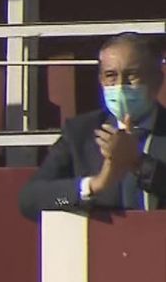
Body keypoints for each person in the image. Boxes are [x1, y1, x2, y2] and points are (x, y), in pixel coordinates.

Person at [18, 32, 166, 221]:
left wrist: (139, 163)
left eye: (132, 75)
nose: (120, 86)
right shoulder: (81, 133)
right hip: (98, 247)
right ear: (101, 80)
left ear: (157, 80)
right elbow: (30, 201)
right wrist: (93, 186)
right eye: (111, 76)